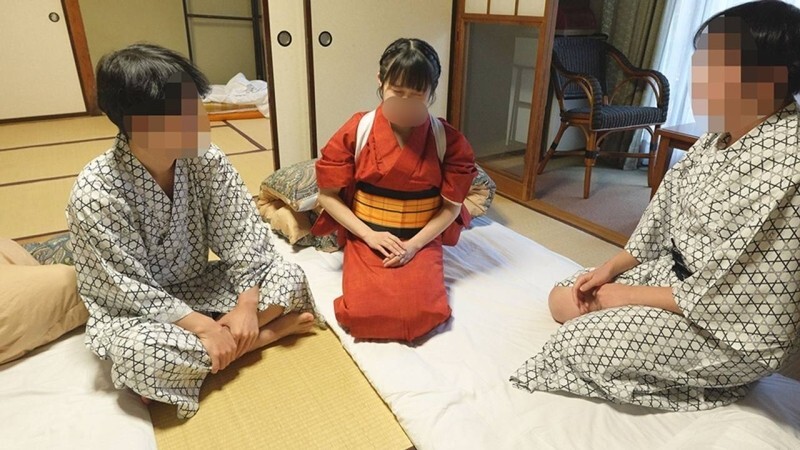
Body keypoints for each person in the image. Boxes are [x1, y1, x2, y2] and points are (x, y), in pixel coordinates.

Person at [512, 0, 800, 410]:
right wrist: (611, 269)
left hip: (726, 326)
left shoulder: (789, 167)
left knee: (576, 344)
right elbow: (662, 217)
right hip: (676, 281)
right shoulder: (721, 134)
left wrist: (626, 296)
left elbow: (739, 297)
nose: (698, 75)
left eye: (714, 64)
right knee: (563, 297)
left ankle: (722, 383)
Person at [66, 43, 319, 419]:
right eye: (182, 113)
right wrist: (204, 328)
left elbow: (244, 236)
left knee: (289, 276)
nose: (201, 120)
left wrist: (246, 306)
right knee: (140, 357)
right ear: (138, 123)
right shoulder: (96, 192)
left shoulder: (206, 159)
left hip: (199, 284)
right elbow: (127, 288)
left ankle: (215, 354)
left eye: (196, 105)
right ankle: (264, 337)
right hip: (139, 312)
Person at [312, 38, 477, 342]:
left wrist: (414, 245)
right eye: (397, 92)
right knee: (363, 312)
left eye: (416, 95)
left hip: (421, 237)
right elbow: (327, 195)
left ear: (432, 91)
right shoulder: (358, 130)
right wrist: (369, 236)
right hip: (368, 235)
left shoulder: (447, 140)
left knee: (423, 313)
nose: (405, 102)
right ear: (381, 81)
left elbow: (451, 207)